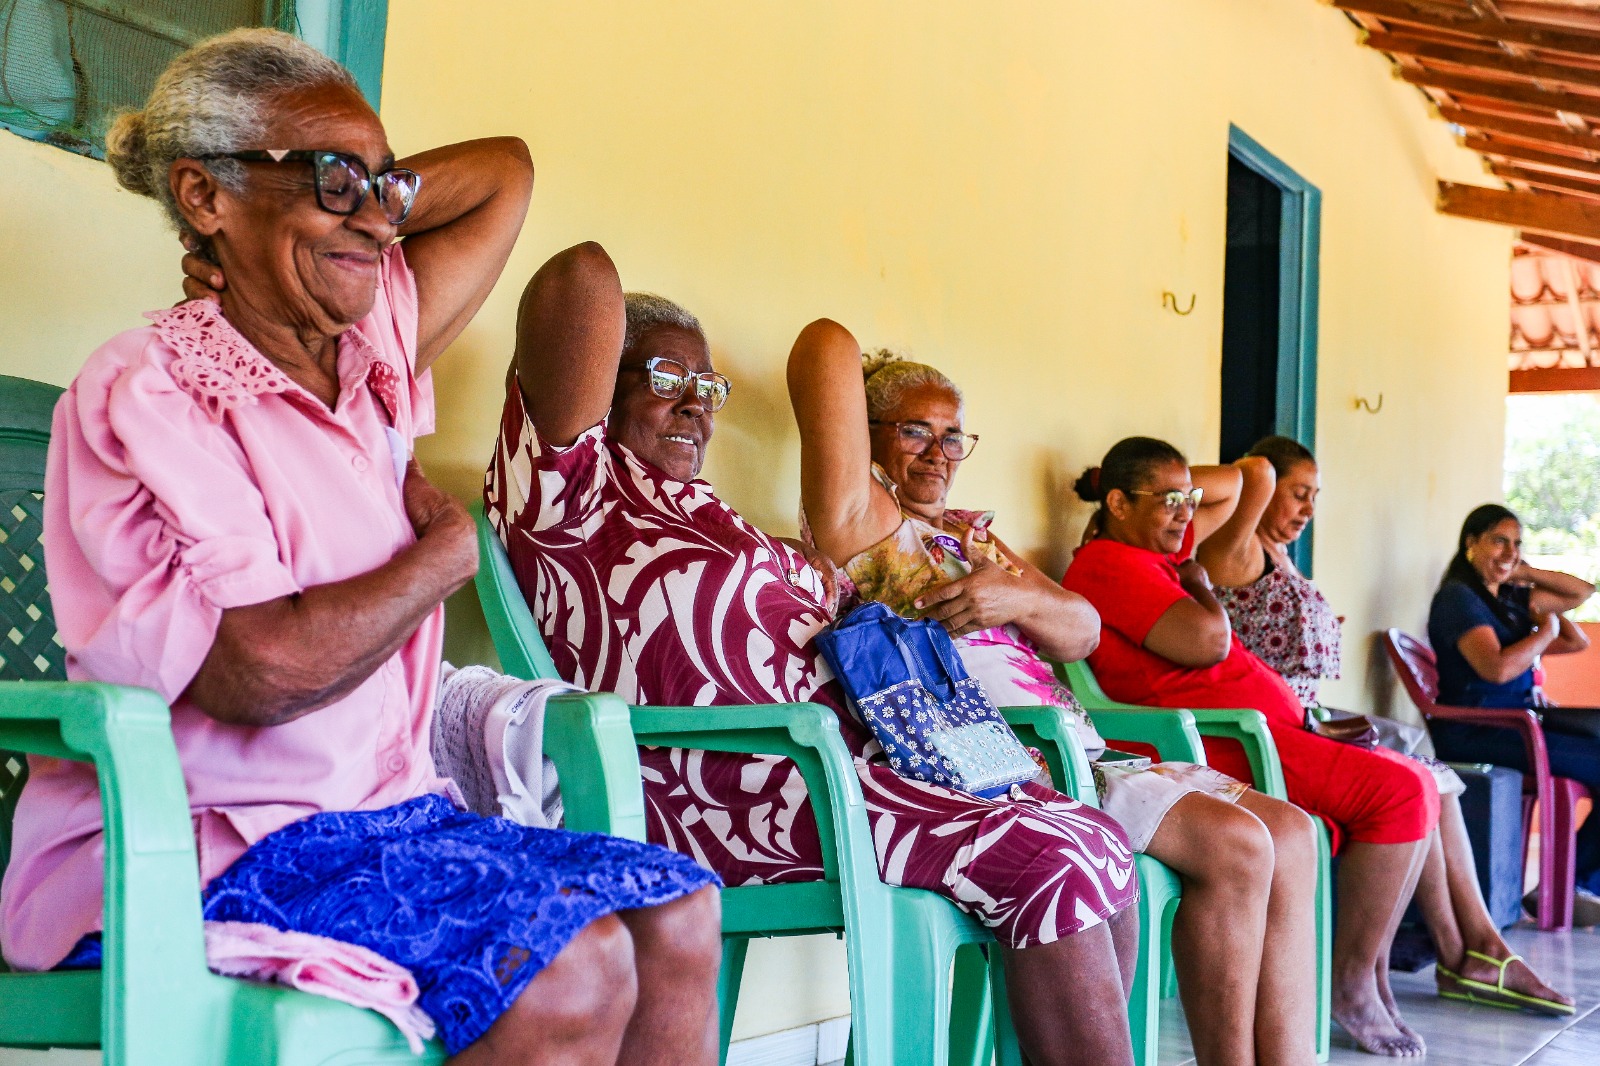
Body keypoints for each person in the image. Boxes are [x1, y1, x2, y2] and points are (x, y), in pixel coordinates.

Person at [0, 30, 723, 1066]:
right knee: (569, 962)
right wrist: (440, 559)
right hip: (215, 844)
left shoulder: (365, 356)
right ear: (204, 193)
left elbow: (505, 174)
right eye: (337, 181)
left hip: (384, 822)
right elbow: (261, 670)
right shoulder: (157, 391)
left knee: (679, 915)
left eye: (388, 189)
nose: (382, 221)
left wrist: (347, 197)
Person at [485, 244, 1142, 1066]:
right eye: (664, 378)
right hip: (725, 782)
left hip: (846, 768)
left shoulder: (704, 510)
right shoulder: (570, 490)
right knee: (1055, 858)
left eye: (708, 388)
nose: (695, 405)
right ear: (593, 389)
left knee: (1096, 838)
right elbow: (580, 275)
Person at [785, 321, 1318, 1066]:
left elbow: (1083, 632)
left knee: (1292, 832)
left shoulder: (972, 538)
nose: (939, 453)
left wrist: (1017, 599)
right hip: (1008, 767)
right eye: (915, 431)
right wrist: (878, 374)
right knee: (1238, 845)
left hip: (1078, 748)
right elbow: (823, 346)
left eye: (953, 436)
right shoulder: (859, 521)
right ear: (863, 433)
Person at [1062, 436, 1442, 1059]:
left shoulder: (1156, 549)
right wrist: (1203, 585)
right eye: (1168, 501)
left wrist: (1170, 493)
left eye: (1189, 498)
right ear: (1119, 504)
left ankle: (1367, 974)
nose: (1186, 513)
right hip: (1218, 742)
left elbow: (1242, 481)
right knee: (1398, 791)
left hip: (1266, 732)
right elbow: (1208, 642)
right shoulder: (1108, 562)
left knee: (1419, 780)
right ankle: (1351, 982)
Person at [1199, 437, 1572, 1015]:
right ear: (1265, 488)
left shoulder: (1278, 555)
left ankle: (1474, 949)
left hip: (1310, 719)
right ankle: (1465, 955)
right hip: (1272, 732)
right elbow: (1252, 473)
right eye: (1297, 493)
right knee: (1417, 779)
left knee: (1435, 780)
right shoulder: (1236, 550)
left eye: (1315, 495)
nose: (1308, 508)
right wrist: (1261, 473)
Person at [1425, 503, 1600, 923]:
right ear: (1471, 543)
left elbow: (1582, 592)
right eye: (1499, 541)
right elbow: (1497, 668)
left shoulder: (1506, 597)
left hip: (1517, 725)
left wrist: (1525, 571)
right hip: (1479, 730)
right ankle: (1570, 884)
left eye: (1517, 543)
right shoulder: (1459, 598)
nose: (1509, 551)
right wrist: (1545, 631)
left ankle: (1574, 883)